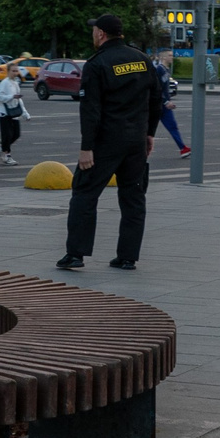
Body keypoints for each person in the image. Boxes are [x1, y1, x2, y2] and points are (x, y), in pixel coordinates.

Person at [58, 13, 153, 272]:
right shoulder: (142, 59)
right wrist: (149, 134)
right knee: (133, 199)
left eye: (94, 30)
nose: (93, 34)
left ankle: (76, 254)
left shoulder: (97, 64)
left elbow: (91, 110)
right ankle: (127, 257)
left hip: (105, 143)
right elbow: (155, 100)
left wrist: (86, 147)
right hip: (136, 142)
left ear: (101, 33)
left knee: (84, 194)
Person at [150, 53, 191, 158]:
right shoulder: (159, 70)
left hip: (164, 105)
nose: (171, 57)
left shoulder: (166, 70)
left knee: (172, 126)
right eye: (169, 55)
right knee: (147, 128)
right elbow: (157, 89)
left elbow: (165, 89)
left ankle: (183, 148)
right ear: (163, 57)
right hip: (158, 105)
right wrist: (166, 101)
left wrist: (168, 101)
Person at [0, 64, 25, 165]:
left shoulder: (15, 83)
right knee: (7, 135)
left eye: (16, 71)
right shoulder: (5, 83)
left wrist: (25, 112)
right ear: (8, 71)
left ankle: (2, 148)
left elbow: (19, 99)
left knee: (16, 134)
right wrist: (11, 96)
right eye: (13, 71)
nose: (15, 73)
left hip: (14, 112)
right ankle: (7, 156)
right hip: (5, 113)